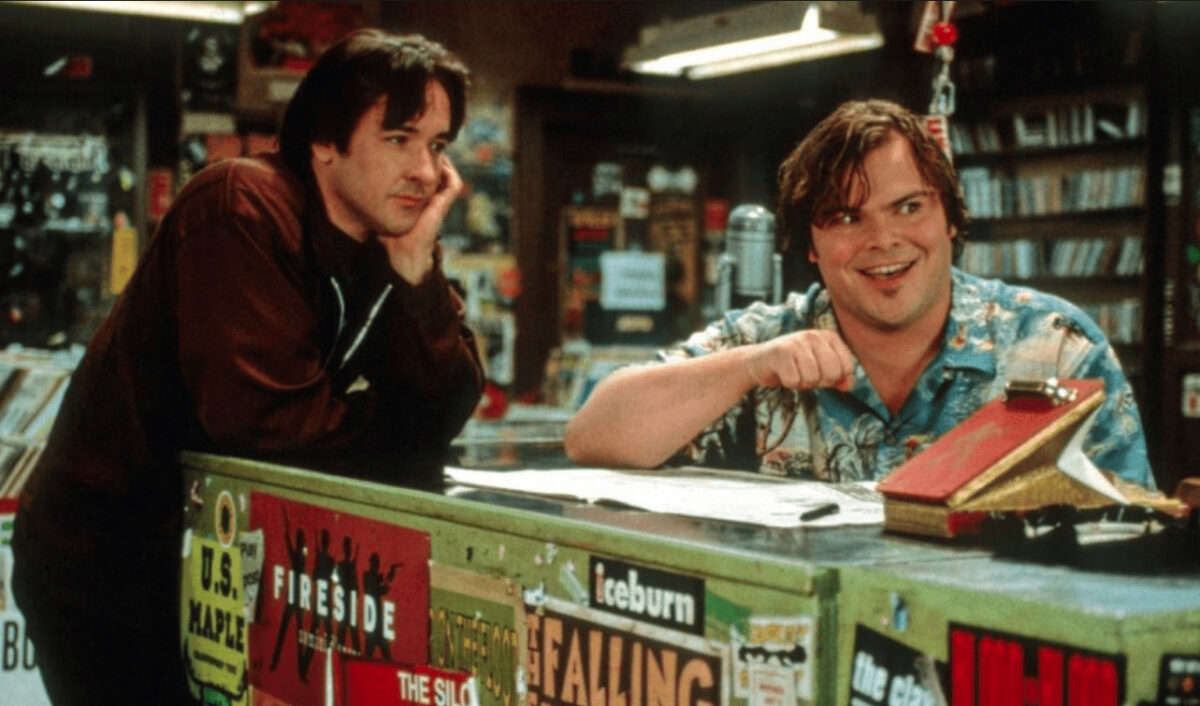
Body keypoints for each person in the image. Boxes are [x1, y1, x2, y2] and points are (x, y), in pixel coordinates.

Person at [12, 29, 483, 705]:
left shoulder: (388, 241)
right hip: (104, 567)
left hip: (215, 564)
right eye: (398, 138)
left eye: (438, 146)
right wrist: (397, 433)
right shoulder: (240, 204)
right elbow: (274, 428)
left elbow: (447, 406)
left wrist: (415, 272)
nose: (427, 172)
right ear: (325, 140)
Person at [565, 99, 1152, 488]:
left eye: (909, 207)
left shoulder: (1055, 346)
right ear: (811, 245)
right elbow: (590, 437)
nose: (883, 239)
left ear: (951, 219)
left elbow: (1132, 533)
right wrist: (748, 366)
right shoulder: (764, 341)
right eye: (846, 217)